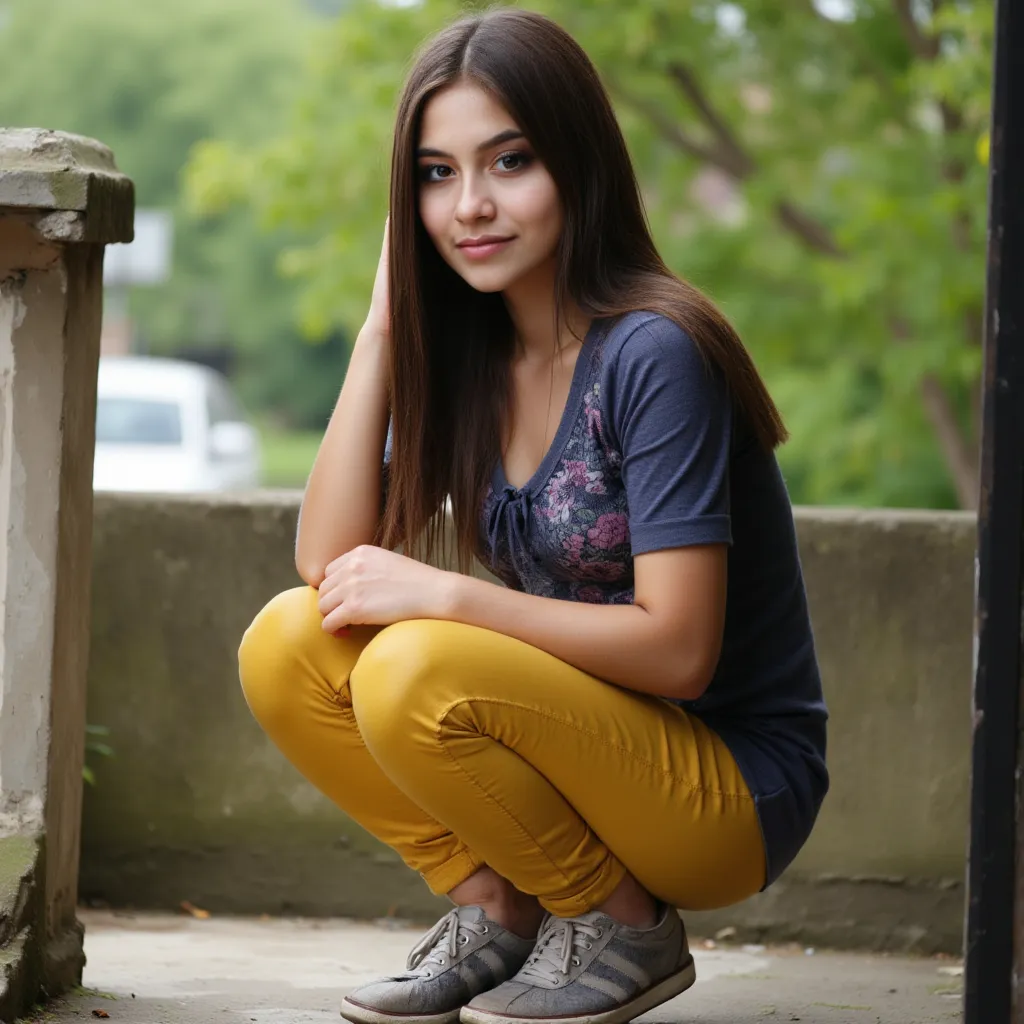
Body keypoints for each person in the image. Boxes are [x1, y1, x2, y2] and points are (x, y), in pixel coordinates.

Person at [238, 9, 828, 1024]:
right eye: (434, 173)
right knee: (287, 642)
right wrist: (384, 323)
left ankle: (621, 924)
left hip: (723, 789)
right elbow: (327, 563)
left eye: (508, 162)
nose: (469, 204)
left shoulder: (653, 353)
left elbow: (681, 651)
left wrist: (449, 595)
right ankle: (500, 908)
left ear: (577, 163)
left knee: (413, 665)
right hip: (585, 756)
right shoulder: (469, 362)